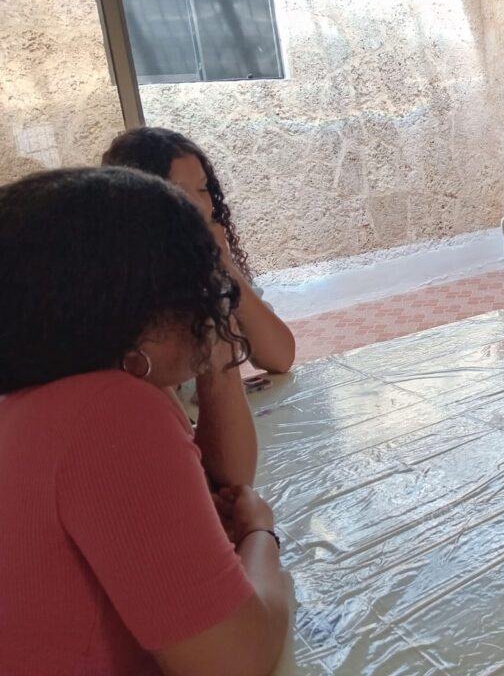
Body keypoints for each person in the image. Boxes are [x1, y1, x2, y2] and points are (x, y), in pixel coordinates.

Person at [0, 168, 288, 675]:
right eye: (200, 281)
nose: (215, 303)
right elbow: (234, 662)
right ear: (137, 307)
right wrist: (261, 534)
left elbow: (220, 482)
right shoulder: (109, 411)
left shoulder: (38, 400)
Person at [103, 127, 296, 374]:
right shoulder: (118, 280)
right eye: (177, 191)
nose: (199, 205)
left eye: (203, 189)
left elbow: (280, 357)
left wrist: (225, 266)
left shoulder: (206, 266)